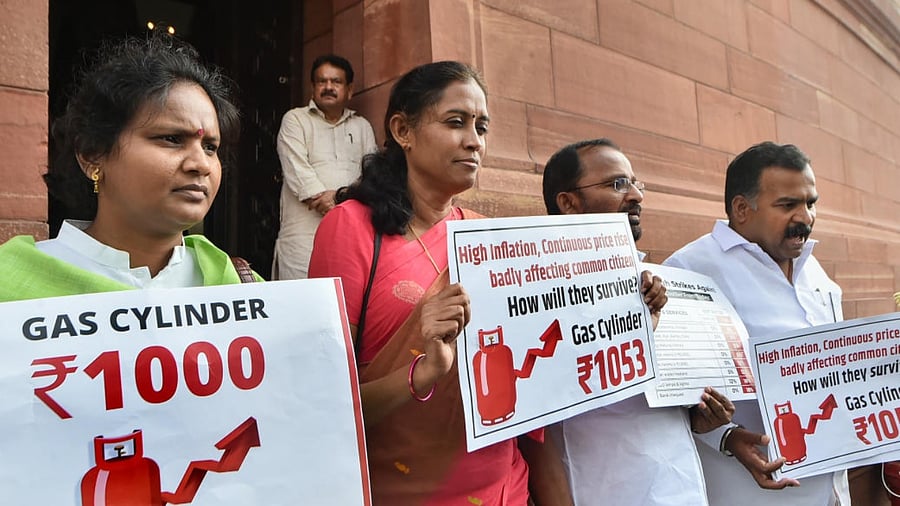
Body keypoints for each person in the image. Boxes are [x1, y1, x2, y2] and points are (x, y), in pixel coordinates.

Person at [309, 61, 572, 505]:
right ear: (402, 130)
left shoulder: (489, 239)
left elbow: (532, 388)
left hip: (506, 489)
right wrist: (423, 372)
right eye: (456, 123)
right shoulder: (351, 228)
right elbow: (324, 404)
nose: (475, 141)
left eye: (482, 127)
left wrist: (631, 315)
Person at [541, 138, 734, 505]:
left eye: (635, 183)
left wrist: (699, 419)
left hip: (679, 485)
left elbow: (646, 405)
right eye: (616, 185)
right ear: (568, 202)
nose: (635, 195)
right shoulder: (541, 294)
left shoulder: (650, 283)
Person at [0, 33, 256, 302]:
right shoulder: (11, 287)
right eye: (171, 139)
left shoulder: (239, 288)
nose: (201, 165)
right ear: (91, 155)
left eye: (210, 147)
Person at [664, 141, 851, 506]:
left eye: (810, 203)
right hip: (749, 491)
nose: (806, 218)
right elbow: (675, 392)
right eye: (787, 205)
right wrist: (727, 437)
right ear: (741, 208)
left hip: (830, 489)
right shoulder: (690, 269)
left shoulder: (813, 268)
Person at [272, 54, 377, 280]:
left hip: (352, 232)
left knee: (343, 303)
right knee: (299, 303)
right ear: (313, 87)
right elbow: (296, 168)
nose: (328, 87)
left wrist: (340, 198)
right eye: (322, 81)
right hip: (303, 237)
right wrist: (330, 200)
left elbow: (373, 174)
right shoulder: (295, 120)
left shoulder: (362, 127)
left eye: (336, 82)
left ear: (349, 90)